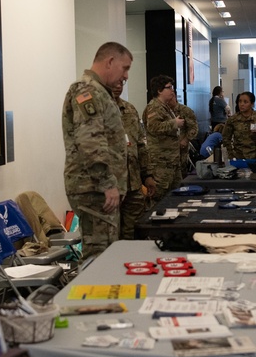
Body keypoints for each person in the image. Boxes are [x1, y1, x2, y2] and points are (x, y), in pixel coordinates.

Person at [61, 42, 132, 258]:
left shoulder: (101, 92)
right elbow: (90, 142)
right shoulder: (87, 91)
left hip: (100, 189)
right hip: (94, 189)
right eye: (125, 68)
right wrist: (108, 184)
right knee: (99, 256)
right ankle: (93, 293)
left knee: (107, 252)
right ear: (110, 62)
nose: (126, 76)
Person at [111, 81, 156, 240]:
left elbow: (140, 145)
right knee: (110, 238)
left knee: (135, 234)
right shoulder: (96, 111)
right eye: (115, 81)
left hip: (133, 184)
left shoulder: (130, 110)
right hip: (110, 188)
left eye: (122, 82)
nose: (119, 85)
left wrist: (147, 175)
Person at [142, 75, 190, 202]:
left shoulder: (166, 107)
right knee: (159, 199)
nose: (172, 90)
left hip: (172, 161)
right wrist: (174, 123)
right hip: (161, 163)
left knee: (177, 197)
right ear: (159, 90)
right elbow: (154, 127)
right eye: (169, 87)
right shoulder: (154, 107)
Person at [222, 91, 256, 159]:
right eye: (240, 101)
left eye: (245, 102)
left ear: (252, 104)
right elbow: (226, 138)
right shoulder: (233, 120)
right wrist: (231, 155)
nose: (241, 104)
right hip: (238, 158)